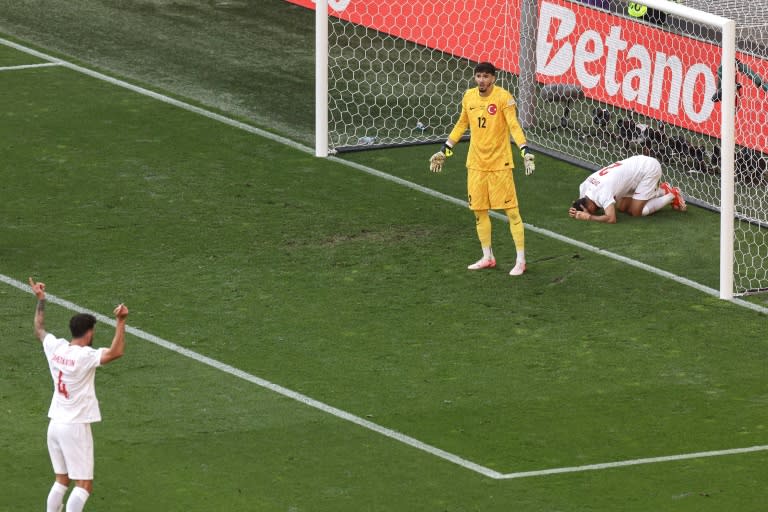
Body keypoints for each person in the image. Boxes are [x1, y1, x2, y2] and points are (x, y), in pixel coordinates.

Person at [28, 277, 129, 512]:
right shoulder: (84, 357)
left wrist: (41, 300)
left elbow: (39, 330)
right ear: (89, 332)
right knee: (83, 485)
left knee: (61, 481)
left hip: (55, 424)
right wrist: (121, 321)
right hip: (75, 427)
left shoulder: (57, 347)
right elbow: (116, 352)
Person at [429, 61, 536, 276]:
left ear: (493, 79)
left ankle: (521, 261)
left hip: (500, 165)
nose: (482, 80)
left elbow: (514, 126)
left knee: (512, 213)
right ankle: (487, 257)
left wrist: (524, 151)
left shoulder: (504, 98)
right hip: (476, 165)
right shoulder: (469, 96)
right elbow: (461, 124)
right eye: (478, 76)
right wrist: (445, 150)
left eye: (486, 76)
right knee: (479, 212)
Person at [568, 155, 686, 223]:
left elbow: (611, 219)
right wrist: (574, 209)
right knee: (622, 208)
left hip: (648, 169)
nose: (596, 211)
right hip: (636, 168)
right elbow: (579, 202)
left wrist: (589, 217)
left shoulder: (602, 193)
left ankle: (671, 194)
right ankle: (661, 190)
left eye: (592, 210)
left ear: (588, 207)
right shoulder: (584, 187)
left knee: (636, 212)